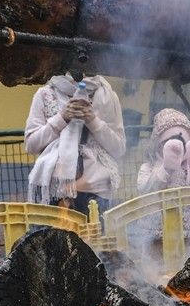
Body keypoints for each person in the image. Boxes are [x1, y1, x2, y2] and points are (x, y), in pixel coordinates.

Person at [25, 75, 126, 215]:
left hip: (95, 192)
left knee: (93, 236)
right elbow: (31, 145)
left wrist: (93, 121)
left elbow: (119, 149)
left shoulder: (108, 97)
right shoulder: (46, 94)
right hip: (54, 191)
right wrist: (61, 118)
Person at [134, 108, 190, 256]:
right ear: (158, 144)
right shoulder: (149, 167)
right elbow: (144, 189)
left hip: (186, 226)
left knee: (186, 261)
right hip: (154, 227)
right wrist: (165, 169)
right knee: (156, 264)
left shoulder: (188, 168)